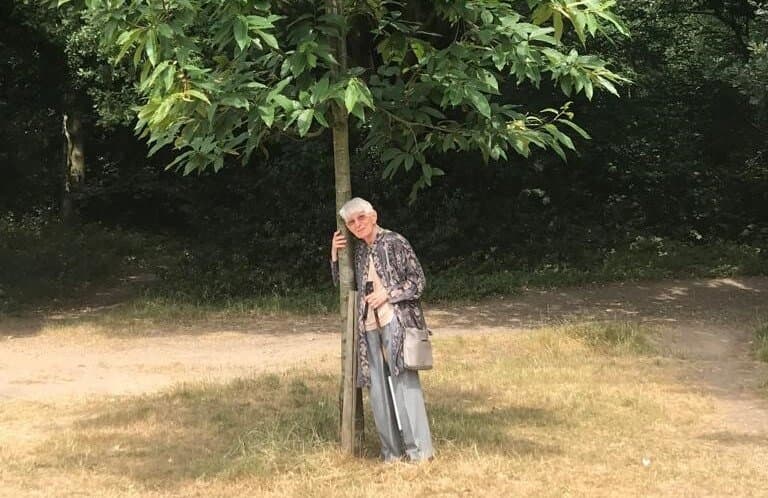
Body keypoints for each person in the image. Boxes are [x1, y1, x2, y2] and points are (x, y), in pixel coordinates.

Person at [330, 197, 434, 463]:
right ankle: (392, 454)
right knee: (377, 390)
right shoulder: (360, 251)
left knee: (403, 384)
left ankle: (419, 452)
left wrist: (388, 293)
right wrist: (335, 256)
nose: (357, 225)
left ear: (373, 216)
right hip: (368, 328)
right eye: (351, 222)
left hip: (396, 322)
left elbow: (418, 282)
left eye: (361, 218)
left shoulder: (395, 241)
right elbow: (344, 287)